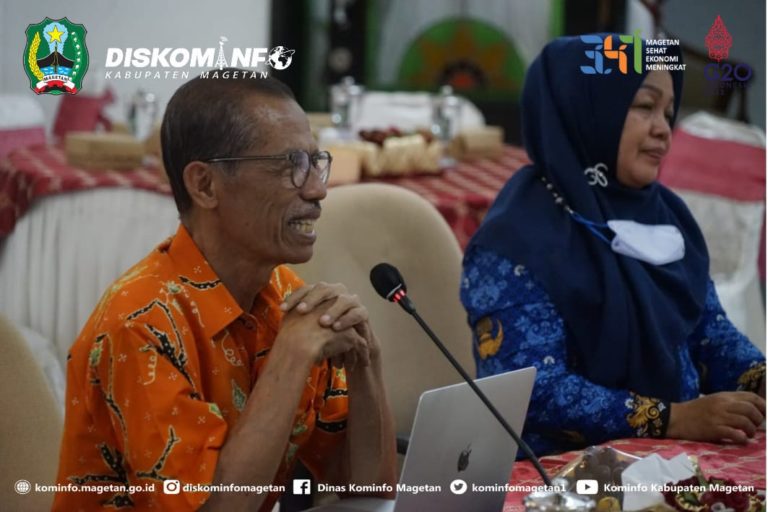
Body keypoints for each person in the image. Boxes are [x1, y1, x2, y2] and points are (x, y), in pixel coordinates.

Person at [54, 70, 397, 510]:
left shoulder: (283, 295)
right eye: (290, 165)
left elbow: (367, 493)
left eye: (316, 162)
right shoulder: (139, 326)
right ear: (205, 185)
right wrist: (290, 358)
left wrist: (367, 362)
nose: (318, 189)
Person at [460, 36, 766, 457]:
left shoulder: (665, 215)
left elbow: (708, 333)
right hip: (556, 474)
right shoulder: (516, 238)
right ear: (587, 108)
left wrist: (758, 378)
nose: (663, 129)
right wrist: (673, 418)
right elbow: (531, 391)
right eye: (644, 106)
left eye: (668, 113)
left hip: (675, 458)